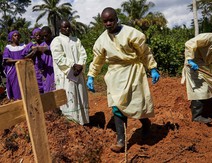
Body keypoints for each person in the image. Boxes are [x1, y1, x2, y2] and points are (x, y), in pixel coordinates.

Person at [86, 7, 160, 153]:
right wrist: (91, 75)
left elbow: (144, 52)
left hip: (133, 72)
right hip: (114, 75)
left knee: (137, 105)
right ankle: (121, 140)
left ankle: (146, 124)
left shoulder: (131, 33)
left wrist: (152, 67)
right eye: (105, 21)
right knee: (117, 106)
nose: (108, 23)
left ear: (116, 19)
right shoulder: (101, 41)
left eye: (111, 20)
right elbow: (97, 60)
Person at [50, 19, 89, 125]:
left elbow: (83, 54)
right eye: (64, 27)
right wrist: (73, 65)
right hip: (66, 75)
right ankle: (71, 123)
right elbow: (58, 58)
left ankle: (83, 121)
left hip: (78, 73)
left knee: (80, 96)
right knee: (69, 97)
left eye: (68, 27)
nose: (67, 29)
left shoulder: (76, 40)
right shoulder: (56, 41)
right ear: (60, 28)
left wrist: (80, 65)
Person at [2, 30, 26, 100]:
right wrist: (19, 60)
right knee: (16, 87)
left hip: (24, 69)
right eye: (15, 36)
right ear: (11, 38)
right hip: (13, 70)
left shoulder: (23, 46)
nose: (17, 37)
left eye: (18, 35)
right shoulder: (8, 47)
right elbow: (6, 60)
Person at [23, 27, 44, 93]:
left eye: (40, 35)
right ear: (33, 36)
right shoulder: (30, 45)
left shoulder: (44, 44)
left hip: (45, 68)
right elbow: (24, 56)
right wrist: (34, 52)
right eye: (36, 35)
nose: (38, 36)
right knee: (37, 87)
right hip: (35, 68)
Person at [40, 26, 55, 93]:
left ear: (50, 34)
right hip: (47, 73)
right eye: (42, 36)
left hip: (56, 70)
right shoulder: (41, 46)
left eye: (46, 36)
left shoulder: (56, 43)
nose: (44, 38)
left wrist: (49, 51)